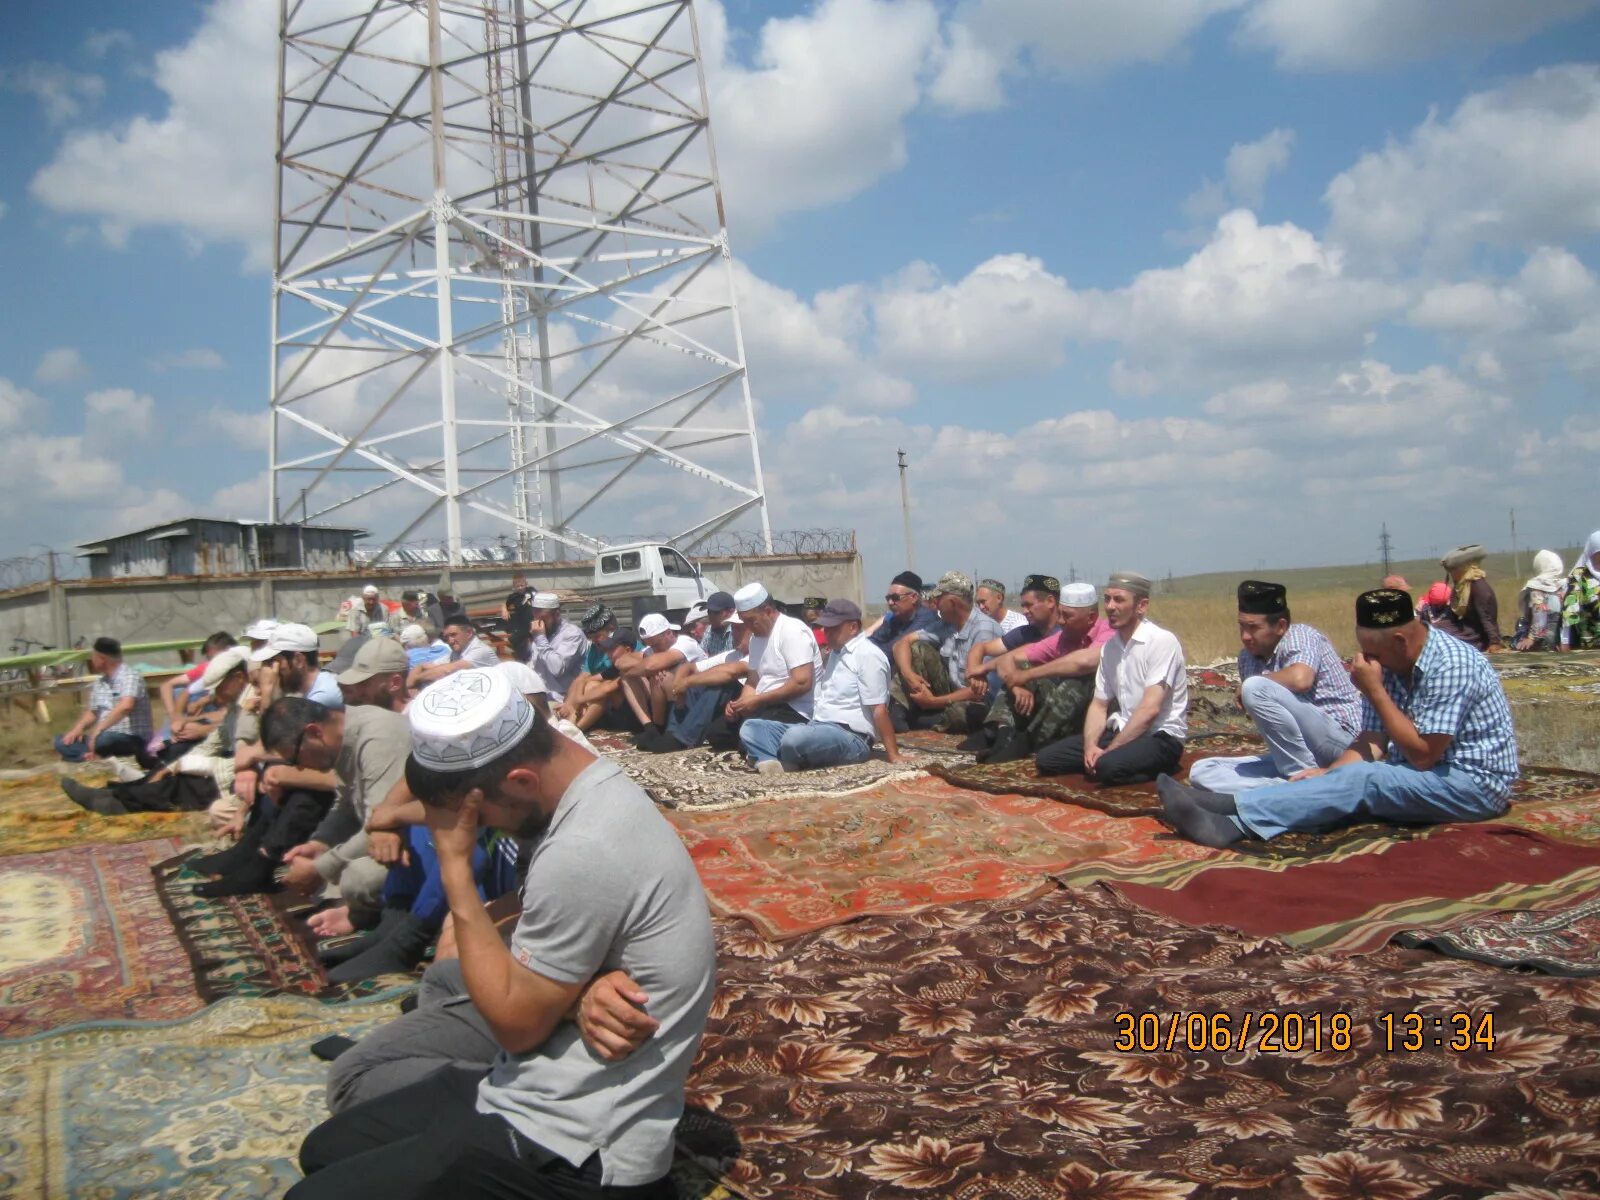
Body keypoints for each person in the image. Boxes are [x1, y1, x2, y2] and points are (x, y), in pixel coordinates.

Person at [287, 669, 715, 1200]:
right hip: (530, 1075)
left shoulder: (583, 849)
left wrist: (456, 871)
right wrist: (577, 995)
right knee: (324, 1151)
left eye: (482, 815)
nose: (481, 827)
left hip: (574, 1149)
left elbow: (516, 1027)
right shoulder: (590, 781)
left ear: (519, 782)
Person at [1158, 588, 1518, 849]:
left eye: (1372, 652)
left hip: (1472, 784)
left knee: (1366, 780)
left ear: (1400, 641)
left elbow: (1424, 755)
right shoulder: (1390, 662)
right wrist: (1328, 773)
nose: (1365, 660)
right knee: (1353, 775)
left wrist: (1374, 690)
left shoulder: (1452, 665)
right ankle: (1235, 803)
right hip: (1412, 771)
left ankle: (1234, 820)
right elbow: (1372, 740)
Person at [1186, 581, 1362, 793]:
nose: (1245, 636)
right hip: (1304, 753)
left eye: (1254, 628)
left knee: (1255, 687)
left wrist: (1255, 683)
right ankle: (1291, 786)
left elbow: (1301, 679)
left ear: (1280, 626)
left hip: (1342, 740)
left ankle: (1305, 786)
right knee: (1202, 771)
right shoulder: (1247, 658)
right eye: (1242, 626)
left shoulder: (1300, 635)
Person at [59, 646, 252, 816]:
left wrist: (187, 765)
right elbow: (214, 742)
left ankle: (116, 802)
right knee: (169, 770)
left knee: (182, 783)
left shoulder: (253, 708)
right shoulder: (236, 708)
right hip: (230, 766)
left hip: (240, 777)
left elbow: (244, 761)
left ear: (238, 678)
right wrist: (173, 767)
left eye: (218, 689)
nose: (214, 697)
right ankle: (115, 794)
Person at [1035, 572, 1188, 786]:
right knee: (1047, 759)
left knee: (1106, 766)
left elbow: (1150, 710)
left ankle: (1155, 768)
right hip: (1123, 729)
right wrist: (1090, 746)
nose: (1110, 606)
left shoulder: (1161, 642)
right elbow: (1099, 705)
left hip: (1159, 736)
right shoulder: (1110, 648)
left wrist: (1111, 750)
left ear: (1141, 606)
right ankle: (1114, 761)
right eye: (1107, 599)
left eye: (1119, 600)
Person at [739, 600, 899, 774]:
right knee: (751, 727)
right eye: (825, 627)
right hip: (818, 727)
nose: (826, 633)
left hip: (852, 737)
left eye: (832, 628)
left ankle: (774, 756)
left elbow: (879, 709)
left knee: (794, 738)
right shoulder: (836, 654)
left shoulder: (868, 655)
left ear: (853, 627)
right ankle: (771, 762)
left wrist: (894, 755)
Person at [971, 580, 1111, 764]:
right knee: (1022, 674)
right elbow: (1009, 659)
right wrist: (1017, 685)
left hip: (1100, 716)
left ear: (1091, 618)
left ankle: (1025, 743)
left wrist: (1029, 674)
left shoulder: (1109, 632)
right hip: (1061, 713)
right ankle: (1002, 738)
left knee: (1077, 682)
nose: (1061, 621)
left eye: (1067, 616)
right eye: (1060, 614)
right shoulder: (1062, 637)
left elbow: (1084, 662)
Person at [889, 571, 1001, 733]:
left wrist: (933, 702)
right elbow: (901, 643)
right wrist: (909, 675)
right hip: (950, 694)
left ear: (953, 602)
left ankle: (923, 717)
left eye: (938, 600)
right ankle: (903, 712)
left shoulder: (984, 630)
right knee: (916, 648)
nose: (935, 604)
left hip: (976, 700)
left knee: (964, 714)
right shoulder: (946, 625)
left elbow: (979, 691)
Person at [727, 582, 821, 748]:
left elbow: (802, 683)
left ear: (767, 611)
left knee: (749, 735)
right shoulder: (755, 639)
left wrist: (759, 700)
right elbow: (753, 680)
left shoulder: (792, 630)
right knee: (720, 732)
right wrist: (740, 704)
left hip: (797, 709)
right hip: (767, 704)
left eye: (750, 621)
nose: (747, 628)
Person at [637, 614, 750, 753]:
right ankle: (672, 733)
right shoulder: (732, 655)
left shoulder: (757, 654)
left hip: (749, 708)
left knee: (722, 683)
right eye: (732, 629)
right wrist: (680, 683)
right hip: (726, 712)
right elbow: (690, 667)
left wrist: (687, 681)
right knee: (694, 680)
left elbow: (731, 672)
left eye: (739, 629)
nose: (734, 633)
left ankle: (683, 739)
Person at [55, 637, 158, 769]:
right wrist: (77, 729)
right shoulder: (100, 682)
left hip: (130, 738)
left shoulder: (130, 676)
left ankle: (86, 756)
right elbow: (92, 712)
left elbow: (126, 706)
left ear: (101, 658)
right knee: (61, 741)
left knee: (105, 740)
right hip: (100, 738)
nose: (91, 661)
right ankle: (88, 757)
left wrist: (99, 729)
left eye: (93, 656)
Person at [558, 605, 643, 732]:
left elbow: (610, 687)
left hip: (627, 706)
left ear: (611, 629)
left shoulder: (629, 648)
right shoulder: (594, 648)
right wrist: (570, 704)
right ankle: (570, 725)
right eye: (591, 637)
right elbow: (583, 678)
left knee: (594, 687)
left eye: (597, 636)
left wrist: (578, 700)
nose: (594, 641)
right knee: (588, 684)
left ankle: (577, 730)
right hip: (603, 702)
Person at [619, 613, 705, 732]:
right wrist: (635, 670)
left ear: (668, 633)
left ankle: (660, 727)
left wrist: (645, 667)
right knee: (627, 678)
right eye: (650, 645)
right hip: (669, 695)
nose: (654, 649)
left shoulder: (685, 642)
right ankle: (649, 726)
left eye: (656, 644)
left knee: (661, 678)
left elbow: (650, 665)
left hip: (696, 695)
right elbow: (621, 661)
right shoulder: (652, 649)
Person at [1430, 544, 1503, 652]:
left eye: (1453, 570)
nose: (1451, 574)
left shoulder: (1479, 588)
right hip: (1464, 628)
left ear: (1464, 569)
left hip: (1476, 635)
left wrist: (1494, 642)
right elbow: (1452, 615)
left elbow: (1486, 617)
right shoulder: (1461, 586)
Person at [525, 592, 587, 703]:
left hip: (563, 698)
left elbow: (557, 669)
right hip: (540, 696)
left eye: (543, 619)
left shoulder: (572, 634)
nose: (538, 624)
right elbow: (535, 665)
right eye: (536, 619)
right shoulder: (541, 634)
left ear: (557, 614)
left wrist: (540, 638)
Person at [410, 616, 500, 688]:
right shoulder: (457, 652)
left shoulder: (480, 651)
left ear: (469, 633)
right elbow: (426, 666)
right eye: (446, 637)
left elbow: (446, 670)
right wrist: (418, 671)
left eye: (453, 635)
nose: (450, 641)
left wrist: (416, 679)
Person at [864, 571, 941, 653]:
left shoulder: (926, 618)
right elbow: (872, 641)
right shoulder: (894, 619)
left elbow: (895, 648)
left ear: (914, 598)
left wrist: (869, 655)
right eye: (888, 598)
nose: (890, 602)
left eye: (895, 597)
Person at [1514, 550, 1566, 652]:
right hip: (1560, 639)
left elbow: (1540, 616)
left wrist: (1531, 638)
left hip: (1543, 641)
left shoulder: (1537, 589)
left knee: (1516, 639)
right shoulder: (1562, 586)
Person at [1562, 531, 1600, 651]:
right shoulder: (1579, 577)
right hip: (1592, 642)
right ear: (1591, 552)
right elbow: (1569, 611)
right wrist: (1565, 641)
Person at [504, 574, 534, 662]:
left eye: (522, 585)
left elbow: (539, 596)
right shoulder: (513, 597)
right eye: (518, 586)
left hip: (533, 622)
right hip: (522, 624)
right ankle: (523, 656)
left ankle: (525, 656)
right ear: (514, 587)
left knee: (516, 638)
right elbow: (504, 604)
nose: (520, 588)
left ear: (526, 584)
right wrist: (504, 609)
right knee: (514, 639)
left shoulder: (531, 591)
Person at [698, 592, 738, 657]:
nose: (711, 616)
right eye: (709, 612)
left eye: (716, 612)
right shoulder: (709, 630)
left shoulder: (737, 631)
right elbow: (702, 655)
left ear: (731, 612)